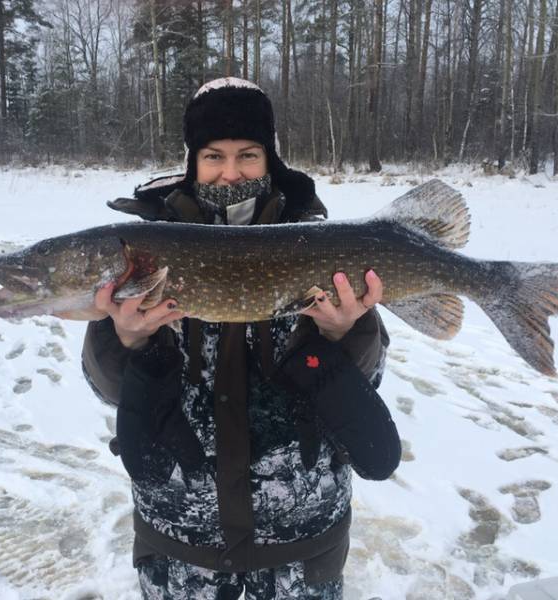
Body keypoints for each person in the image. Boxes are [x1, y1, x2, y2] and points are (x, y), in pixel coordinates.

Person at [82, 77, 401, 600]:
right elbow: (110, 391)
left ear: (270, 159)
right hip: (181, 540)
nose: (231, 173)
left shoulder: (315, 239)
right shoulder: (142, 253)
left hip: (302, 542)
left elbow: (366, 381)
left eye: (248, 155)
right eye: (213, 156)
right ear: (192, 161)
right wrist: (126, 339)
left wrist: (348, 330)